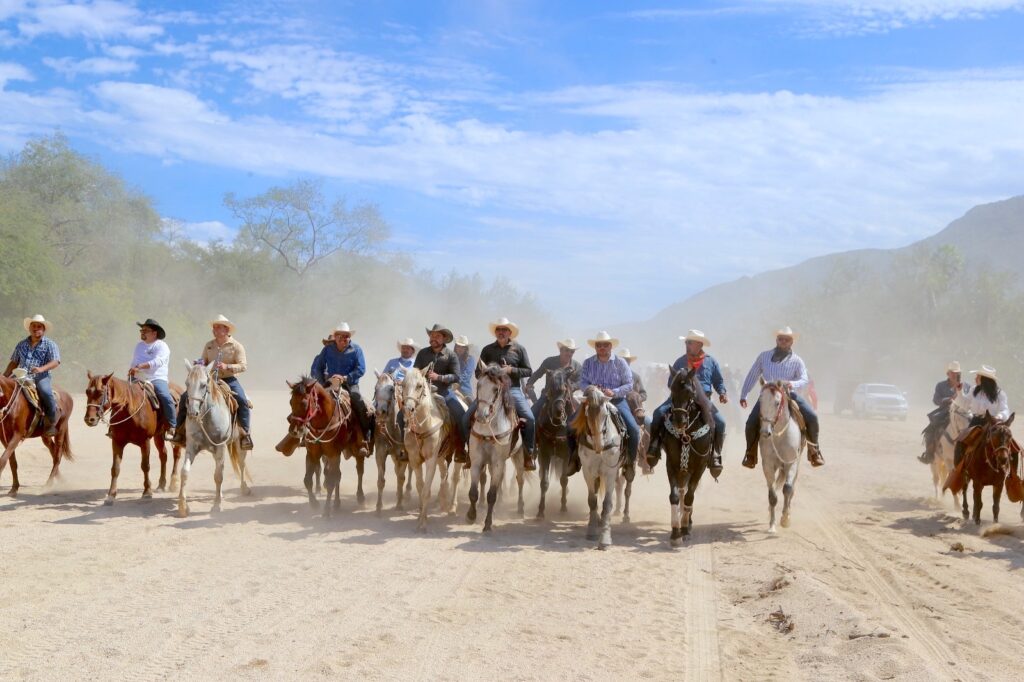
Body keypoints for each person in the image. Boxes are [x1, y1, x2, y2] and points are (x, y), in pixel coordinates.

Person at [739, 326, 824, 468]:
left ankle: (814, 451)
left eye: (787, 339)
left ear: (792, 342)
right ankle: (750, 454)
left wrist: (792, 383)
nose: (783, 341)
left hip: (789, 395)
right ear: (776, 340)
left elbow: (804, 379)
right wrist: (744, 394)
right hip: (768, 396)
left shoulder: (797, 360)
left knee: (812, 417)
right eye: (780, 339)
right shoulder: (764, 356)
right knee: (751, 422)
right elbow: (752, 375)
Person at [647, 330, 727, 472]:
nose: (687, 345)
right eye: (686, 342)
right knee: (658, 413)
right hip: (680, 397)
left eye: (690, 342)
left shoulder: (711, 361)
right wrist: (680, 386)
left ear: (699, 344)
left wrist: (722, 392)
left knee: (721, 422)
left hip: (703, 399)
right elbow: (670, 382)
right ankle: (654, 445)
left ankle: (715, 453)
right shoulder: (680, 361)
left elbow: (718, 381)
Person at [467, 317, 537, 470]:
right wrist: (490, 373)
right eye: (498, 329)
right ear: (495, 332)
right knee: (465, 417)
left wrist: (511, 370)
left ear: (510, 332)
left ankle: (529, 454)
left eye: (504, 330)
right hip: (490, 392)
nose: (501, 332)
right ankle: (469, 453)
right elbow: (478, 372)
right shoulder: (487, 349)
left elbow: (528, 371)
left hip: (513, 390)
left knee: (531, 419)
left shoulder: (519, 349)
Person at [567, 331, 639, 478]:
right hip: (593, 401)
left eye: (605, 345)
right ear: (595, 347)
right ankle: (574, 459)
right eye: (599, 345)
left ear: (610, 346)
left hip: (617, 401)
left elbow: (629, 384)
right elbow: (582, 382)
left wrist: (614, 391)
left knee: (634, 429)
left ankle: (629, 463)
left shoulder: (620, 362)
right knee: (569, 426)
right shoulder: (588, 363)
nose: (602, 347)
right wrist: (591, 388)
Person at [310, 322, 374, 455]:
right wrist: (322, 383)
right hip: (330, 383)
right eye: (340, 336)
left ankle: (365, 436)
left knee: (358, 402)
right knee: (311, 401)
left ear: (350, 337)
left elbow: (361, 369)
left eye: (346, 336)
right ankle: (305, 434)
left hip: (350, 384)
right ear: (336, 337)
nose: (344, 338)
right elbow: (318, 367)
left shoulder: (356, 349)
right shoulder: (328, 350)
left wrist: (345, 378)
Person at [409, 324, 467, 461]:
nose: (433, 338)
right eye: (432, 335)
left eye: (437, 336)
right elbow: (415, 372)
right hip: (422, 393)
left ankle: (460, 449)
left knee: (461, 415)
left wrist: (439, 377)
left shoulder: (451, 355)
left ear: (444, 338)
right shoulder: (423, 353)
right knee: (402, 414)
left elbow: (456, 377)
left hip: (444, 392)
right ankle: (403, 447)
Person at [4, 314, 61, 436]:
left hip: (41, 376)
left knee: (45, 392)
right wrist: (4, 376)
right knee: (4, 389)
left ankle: (51, 422)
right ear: (29, 328)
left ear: (43, 329)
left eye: (39, 326)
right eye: (33, 326)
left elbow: (55, 361)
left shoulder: (50, 344)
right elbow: (14, 362)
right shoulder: (21, 344)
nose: (36, 329)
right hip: (20, 375)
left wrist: (41, 369)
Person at [953, 365, 1011, 475]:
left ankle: (1012, 474)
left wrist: (998, 417)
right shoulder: (974, 390)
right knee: (960, 441)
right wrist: (959, 391)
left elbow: (1005, 410)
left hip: (993, 423)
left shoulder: (1000, 394)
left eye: (978, 376)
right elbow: (965, 404)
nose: (975, 378)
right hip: (976, 422)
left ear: (984, 379)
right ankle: (959, 472)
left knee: (1008, 443)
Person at [127, 318, 176, 440]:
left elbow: (158, 361)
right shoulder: (139, 346)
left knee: (165, 397)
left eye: (146, 330)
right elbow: (135, 361)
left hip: (157, 377)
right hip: (138, 377)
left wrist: (140, 366)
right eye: (141, 330)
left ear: (154, 333)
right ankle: (115, 427)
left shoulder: (162, 345)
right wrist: (132, 370)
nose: (142, 332)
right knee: (123, 395)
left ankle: (172, 426)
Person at [919, 361, 965, 464]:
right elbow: (936, 400)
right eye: (952, 372)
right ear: (948, 374)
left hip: (961, 412)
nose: (955, 375)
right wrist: (948, 399)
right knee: (930, 430)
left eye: (957, 373)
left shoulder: (965, 386)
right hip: (945, 411)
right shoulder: (940, 385)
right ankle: (929, 454)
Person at [528, 339, 581, 420]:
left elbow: (580, 381)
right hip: (548, 395)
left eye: (572, 351)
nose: (569, 353)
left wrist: (571, 387)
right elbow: (538, 373)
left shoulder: (577, 366)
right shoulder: (549, 361)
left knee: (581, 417)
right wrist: (529, 383)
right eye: (567, 350)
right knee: (530, 416)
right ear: (561, 350)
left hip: (568, 397)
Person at [617, 348, 650, 423]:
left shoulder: (636, 376)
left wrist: (635, 398)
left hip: (635, 409)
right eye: (622, 360)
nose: (625, 362)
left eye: (627, 360)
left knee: (648, 423)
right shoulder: (613, 376)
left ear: (629, 362)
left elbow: (644, 394)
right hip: (619, 406)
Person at [454, 335, 477, 399]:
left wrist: (455, 382)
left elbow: (467, 375)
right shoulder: (451, 359)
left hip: (465, 390)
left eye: (462, 347)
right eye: (458, 346)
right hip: (450, 388)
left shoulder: (470, 359)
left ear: (466, 348)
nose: (460, 349)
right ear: (455, 347)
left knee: (472, 403)